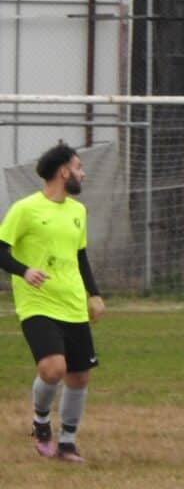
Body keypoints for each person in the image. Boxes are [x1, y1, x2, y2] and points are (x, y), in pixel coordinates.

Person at [0, 141, 105, 463]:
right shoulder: (25, 209)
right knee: (53, 368)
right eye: (78, 167)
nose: (83, 174)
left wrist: (94, 294)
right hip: (37, 303)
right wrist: (24, 270)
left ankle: (68, 443)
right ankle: (41, 420)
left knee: (79, 376)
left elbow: (80, 256)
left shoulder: (77, 211)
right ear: (63, 172)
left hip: (72, 303)